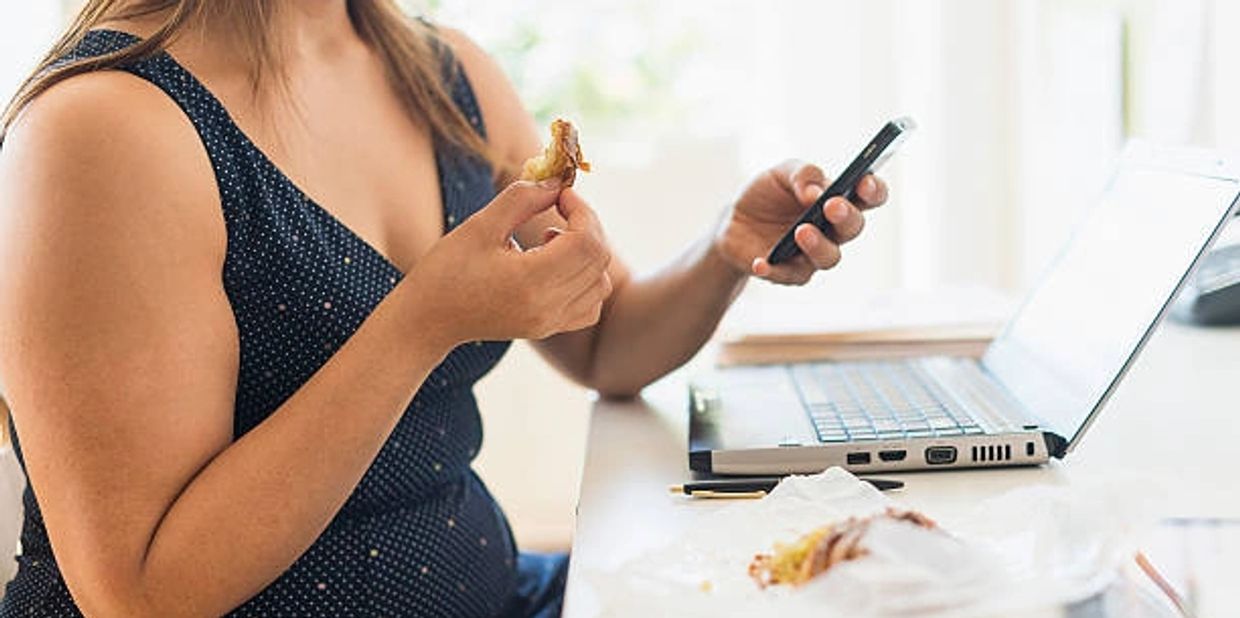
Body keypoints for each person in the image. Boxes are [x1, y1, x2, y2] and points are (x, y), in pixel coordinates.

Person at [0, 1, 888, 616]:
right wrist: (422, 324)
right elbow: (142, 594)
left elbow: (605, 344)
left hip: (498, 595)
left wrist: (727, 251)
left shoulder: (444, 73)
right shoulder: (101, 130)